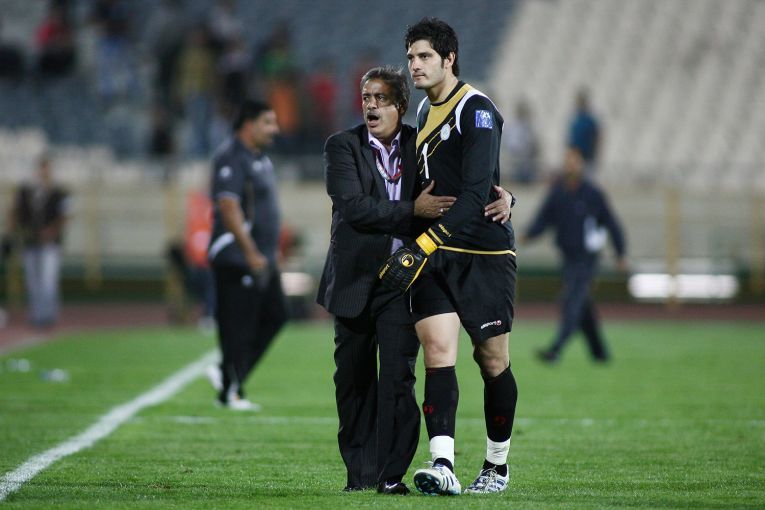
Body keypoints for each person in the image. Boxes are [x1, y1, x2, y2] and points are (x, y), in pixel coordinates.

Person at [319, 65, 513, 495]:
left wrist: (506, 197)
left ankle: (391, 477)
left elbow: (466, 184)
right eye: (366, 98)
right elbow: (353, 207)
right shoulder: (342, 146)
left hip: (402, 281)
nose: (371, 105)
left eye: (381, 98)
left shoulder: (417, 142)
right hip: (354, 281)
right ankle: (359, 475)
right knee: (353, 383)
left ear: (400, 105)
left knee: (398, 381)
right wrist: (412, 211)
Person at [379, 18, 519, 495]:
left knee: (491, 359)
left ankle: (497, 467)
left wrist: (423, 243)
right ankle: (443, 465)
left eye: (424, 56)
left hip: (482, 253)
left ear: (449, 58)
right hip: (435, 254)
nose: (414, 65)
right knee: (438, 353)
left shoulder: (476, 109)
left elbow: (478, 192)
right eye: (410, 57)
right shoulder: (424, 109)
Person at [205, 100, 288, 410]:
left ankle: (229, 374)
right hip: (236, 256)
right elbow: (228, 207)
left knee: (276, 314)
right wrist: (250, 251)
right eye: (268, 122)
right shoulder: (230, 157)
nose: (275, 129)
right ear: (249, 124)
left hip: (261, 257)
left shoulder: (261, 159)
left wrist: (271, 252)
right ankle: (230, 389)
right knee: (237, 325)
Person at [523, 147, 626, 363]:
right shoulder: (558, 192)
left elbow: (611, 223)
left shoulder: (592, 194)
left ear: (581, 164)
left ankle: (555, 349)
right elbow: (544, 218)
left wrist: (620, 253)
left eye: (574, 161)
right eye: (567, 161)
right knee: (581, 304)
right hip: (568, 257)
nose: (570, 165)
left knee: (571, 300)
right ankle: (600, 353)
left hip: (586, 258)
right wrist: (528, 235)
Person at [7, 154, 70, 328]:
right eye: (41, 168)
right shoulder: (25, 191)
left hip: (51, 244)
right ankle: (37, 314)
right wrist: (13, 232)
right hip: (30, 241)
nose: (43, 172)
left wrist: (52, 231)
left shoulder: (59, 192)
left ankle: (49, 314)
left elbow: (65, 216)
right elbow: (15, 211)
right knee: (33, 280)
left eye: (46, 169)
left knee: (48, 280)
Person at [567, 88, 601, 177]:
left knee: (587, 178)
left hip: (587, 156)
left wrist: (593, 153)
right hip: (576, 156)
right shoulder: (575, 119)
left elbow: (596, 137)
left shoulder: (590, 120)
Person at [504, 99, 539, 184]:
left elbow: (534, 144)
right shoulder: (513, 126)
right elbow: (512, 145)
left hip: (528, 160)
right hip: (517, 158)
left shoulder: (529, 126)